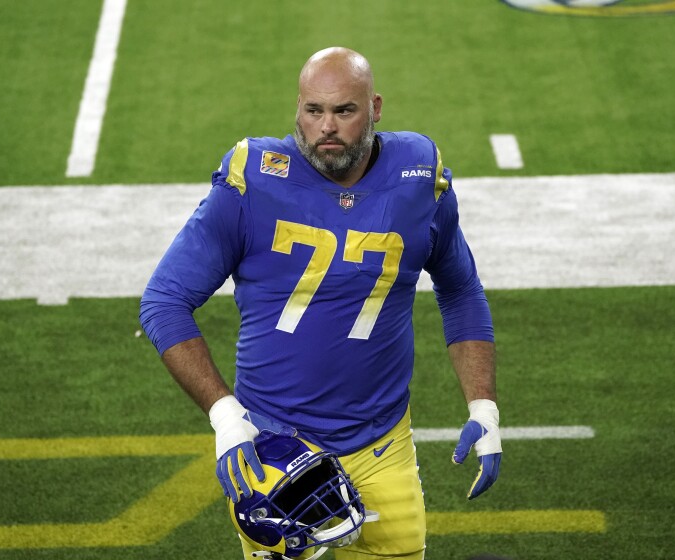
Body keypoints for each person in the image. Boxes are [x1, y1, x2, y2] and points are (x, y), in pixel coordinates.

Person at [140, 46, 502, 559]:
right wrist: (226, 417)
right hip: (272, 451)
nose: (326, 127)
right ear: (298, 110)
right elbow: (164, 300)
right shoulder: (255, 177)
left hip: (381, 447)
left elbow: (460, 287)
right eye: (314, 111)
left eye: (344, 111)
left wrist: (483, 406)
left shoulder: (419, 175)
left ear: (375, 109)